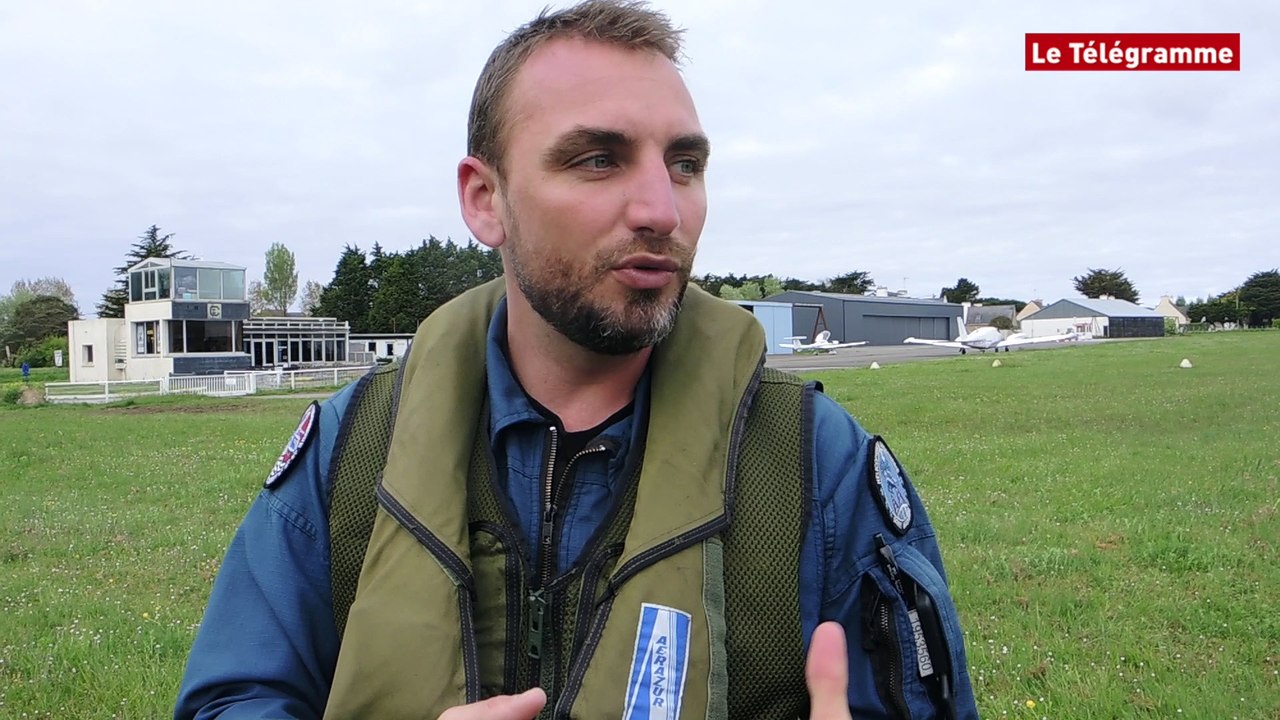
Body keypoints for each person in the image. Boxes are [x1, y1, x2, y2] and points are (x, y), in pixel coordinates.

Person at [174, 2, 979, 718]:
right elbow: (234, 697)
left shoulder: (818, 469)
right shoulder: (350, 454)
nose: (662, 210)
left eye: (685, 165)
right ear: (485, 200)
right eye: (598, 159)